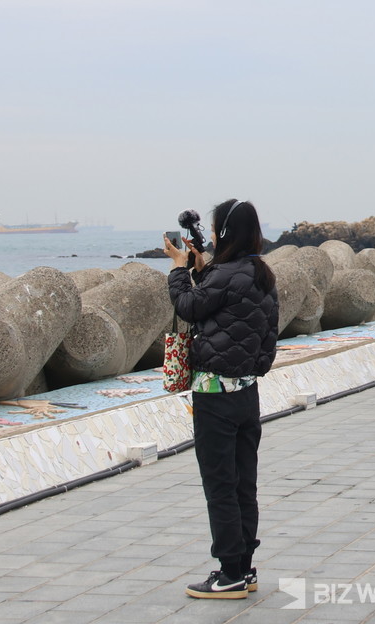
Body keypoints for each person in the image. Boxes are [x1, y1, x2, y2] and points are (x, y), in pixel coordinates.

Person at [163, 199, 279, 600]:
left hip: (214, 396)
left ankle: (229, 573)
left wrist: (179, 271)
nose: (210, 236)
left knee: (220, 486)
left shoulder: (224, 275)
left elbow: (189, 306)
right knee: (244, 484)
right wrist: (201, 270)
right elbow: (264, 337)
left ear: (225, 234)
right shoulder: (261, 274)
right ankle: (244, 568)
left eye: (214, 230)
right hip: (247, 393)